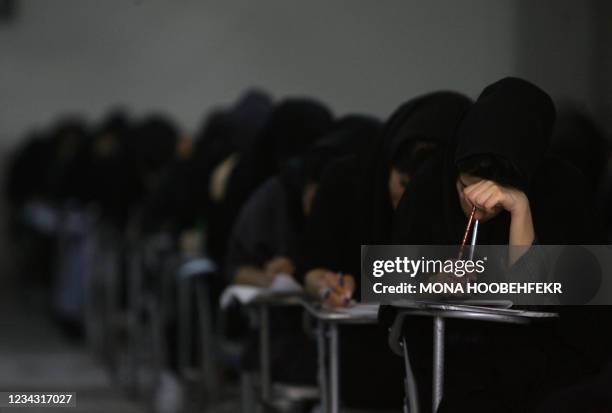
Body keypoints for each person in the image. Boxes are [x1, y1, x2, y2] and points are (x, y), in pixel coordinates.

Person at [391, 77, 610, 412]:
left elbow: (558, 307)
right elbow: (389, 285)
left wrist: (520, 210)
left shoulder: (563, 189)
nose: (477, 204)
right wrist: (431, 283)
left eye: (496, 198)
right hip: (450, 358)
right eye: (465, 186)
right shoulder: (430, 184)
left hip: (543, 366)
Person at [297, 91, 472, 409]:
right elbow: (311, 266)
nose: (408, 201)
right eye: (404, 184)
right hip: (360, 359)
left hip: (439, 364)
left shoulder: (463, 202)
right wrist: (326, 286)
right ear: (389, 163)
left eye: (422, 190)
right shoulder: (347, 182)